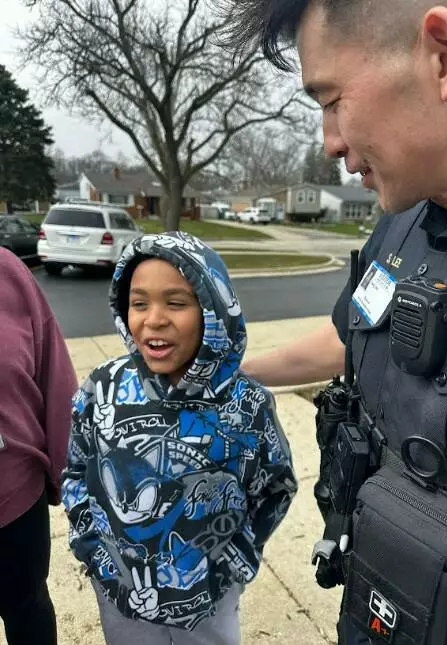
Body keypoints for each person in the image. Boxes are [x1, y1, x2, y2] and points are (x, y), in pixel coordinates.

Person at [221, 1, 447, 643]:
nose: (329, 141)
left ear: (443, 57)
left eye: (333, 99)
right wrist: (220, 375)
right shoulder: (402, 223)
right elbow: (352, 335)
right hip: (381, 595)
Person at [61, 232, 297, 645]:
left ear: (211, 310)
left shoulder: (247, 405)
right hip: (122, 596)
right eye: (139, 303)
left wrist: (234, 562)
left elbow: (276, 485)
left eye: (176, 303)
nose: (154, 319)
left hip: (209, 602)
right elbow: (77, 471)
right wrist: (93, 549)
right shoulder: (102, 389)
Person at [0, 248, 77, 645]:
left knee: (28, 609)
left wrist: (74, 479)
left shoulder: (8, 272)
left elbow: (55, 376)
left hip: (15, 500)